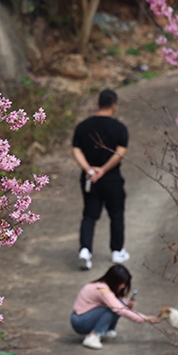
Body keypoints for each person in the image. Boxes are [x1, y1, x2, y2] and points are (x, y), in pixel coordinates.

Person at [71, 88, 130, 271]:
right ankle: (117, 250)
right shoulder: (119, 129)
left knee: (89, 215)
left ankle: (85, 251)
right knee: (116, 214)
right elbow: (119, 153)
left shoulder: (83, 127)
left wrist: (89, 169)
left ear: (98, 103)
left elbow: (76, 149)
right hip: (111, 178)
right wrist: (103, 170)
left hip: (90, 179)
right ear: (114, 106)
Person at [70, 265, 159, 350]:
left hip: (83, 317)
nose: (123, 286)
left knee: (118, 305)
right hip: (80, 321)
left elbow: (120, 303)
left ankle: (105, 330)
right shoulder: (102, 290)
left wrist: (128, 304)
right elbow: (119, 309)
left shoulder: (103, 286)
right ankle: (93, 336)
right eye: (121, 283)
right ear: (114, 281)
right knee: (114, 309)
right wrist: (145, 318)